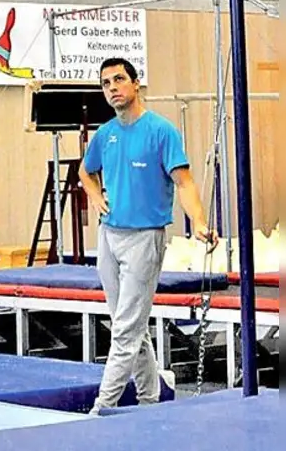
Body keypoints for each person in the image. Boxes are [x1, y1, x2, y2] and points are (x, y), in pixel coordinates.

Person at [81, 57, 216, 413]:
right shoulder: (106, 134)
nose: (112, 88)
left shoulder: (161, 131)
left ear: (136, 83)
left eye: (119, 80)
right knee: (129, 324)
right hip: (109, 238)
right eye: (106, 83)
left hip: (144, 238)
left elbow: (184, 182)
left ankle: (102, 406)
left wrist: (199, 222)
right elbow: (85, 171)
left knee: (125, 329)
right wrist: (96, 196)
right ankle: (149, 398)